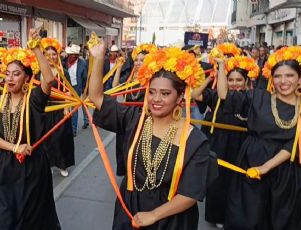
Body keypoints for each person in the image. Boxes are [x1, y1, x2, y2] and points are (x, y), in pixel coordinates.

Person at [88, 37, 217, 229]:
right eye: (152, 92)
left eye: (165, 94)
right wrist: (98, 59)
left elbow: (190, 194)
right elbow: (96, 97)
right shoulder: (135, 119)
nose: (156, 99)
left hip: (170, 218)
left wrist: (153, 215)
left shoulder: (195, 140)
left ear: (181, 96)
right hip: (129, 209)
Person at [218, 46, 301, 230]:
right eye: (278, 76)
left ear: (300, 79)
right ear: (271, 79)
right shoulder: (258, 97)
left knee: (280, 221)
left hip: (285, 174)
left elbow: (294, 145)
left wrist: (265, 167)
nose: (283, 81)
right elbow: (225, 95)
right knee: (246, 219)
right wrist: (220, 66)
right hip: (251, 165)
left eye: (290, 76)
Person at [0, 29, 60, 229]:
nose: (10, 78)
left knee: (30, 216)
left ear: (26, 77)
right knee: (2, 215)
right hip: (3, 166)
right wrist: (14, 147)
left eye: (16, 74)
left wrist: (36, 48)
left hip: (31, 167)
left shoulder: (34, 99)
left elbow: (49, 78)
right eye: (7, 74)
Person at [192, 55, 259, 228]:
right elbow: (195, 94)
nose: (234, 83)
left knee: (236, 182)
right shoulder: (216, 95)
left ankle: (234, 216)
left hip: (240, 145)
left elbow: (224, 94)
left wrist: (222, 66)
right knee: (217, 181)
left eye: (239, 80)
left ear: (246, 81)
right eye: (230, 80)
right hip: (219, 142)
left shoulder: (249, 98)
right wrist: (211, 77)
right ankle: (216, 215)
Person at [111, 43, 157, 176]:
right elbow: (115, 87)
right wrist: (118, 67)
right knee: (124, 146)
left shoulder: (152, 80)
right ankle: (127, 174)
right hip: (127, 118)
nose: (138, 63)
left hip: (143, 119)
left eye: (142, 60)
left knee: (139, 149)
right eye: (136, 60)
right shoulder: (130, 79)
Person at [41, 37, 75, 177]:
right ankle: (48, 164)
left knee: (60, 138)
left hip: (60, 108)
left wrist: (67, 108)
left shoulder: (63, 72)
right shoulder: (39, 71)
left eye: (54, 54)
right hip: (44, 110)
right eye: (48, 54)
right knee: (46, 139)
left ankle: (62, 165)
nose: (51, 56)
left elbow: (69, 91)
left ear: (58, 55)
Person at [64, 44, 89, 135]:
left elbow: (85, 78)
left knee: (74, 109)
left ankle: (73, 130)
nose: (73, 56)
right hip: (65, 88)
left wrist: (84, 91)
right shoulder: (64, 62)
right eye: (72, 54)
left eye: (75, 54)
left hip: (76, 87)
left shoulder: (82, 64)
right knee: (66, 109)